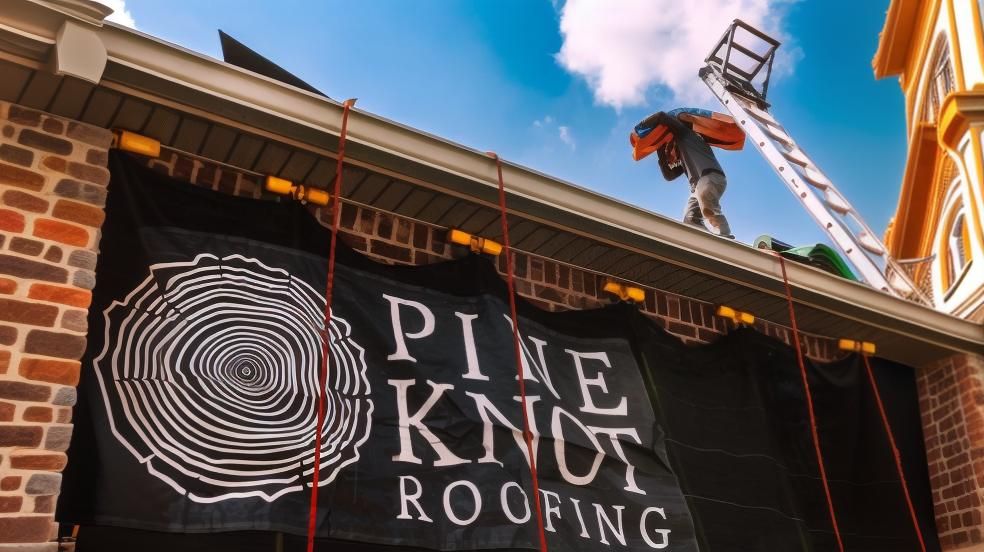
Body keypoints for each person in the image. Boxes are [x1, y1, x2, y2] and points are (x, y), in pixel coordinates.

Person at [651, 112, 733, 238]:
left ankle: (724, 234)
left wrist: (645, 127)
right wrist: (659, 150)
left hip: (710, 177)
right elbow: (669, 176)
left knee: (708, 206)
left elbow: (661, 116)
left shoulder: (688, 135)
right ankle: (703, 238)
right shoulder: (686, 155)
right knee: (690, 218)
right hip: (699, 187)